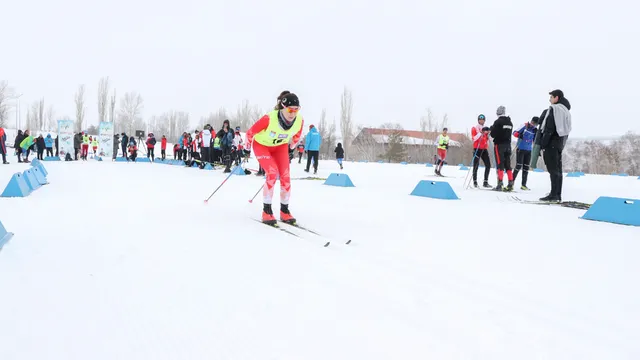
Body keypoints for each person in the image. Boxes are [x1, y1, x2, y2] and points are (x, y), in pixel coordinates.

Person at [245, 92, 304, 225]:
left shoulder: (299, 120)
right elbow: (250, 133)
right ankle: (267, 211)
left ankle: (284, 211)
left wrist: (291, 148)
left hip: (280, 147)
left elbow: (297, 136)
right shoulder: (269, 119)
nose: (293, 113)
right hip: (262, 146)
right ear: (282, 107)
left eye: (296, 109)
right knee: (272, 173)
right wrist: (246, 148)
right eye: (290, 109)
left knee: (285, 176)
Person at [539, 89, 572, 202]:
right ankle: (557, 194)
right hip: (559, 143)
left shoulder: (555, 109)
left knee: (552, 169)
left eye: (551, 97)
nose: (550, 100)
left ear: (557, 98)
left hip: (551, 142)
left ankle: (553, 195)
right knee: (558, 169)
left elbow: (549, 127)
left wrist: (543, 143)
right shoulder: (566, 110)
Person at [489, 106, 514, 191]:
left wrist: (492, 128)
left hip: (499, 145)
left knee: (500, 164)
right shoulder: (510, 122)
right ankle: (511, 183)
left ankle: (500, 184)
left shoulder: (498, 121)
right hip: (508, 145)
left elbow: (493, 134)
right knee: (508, 164)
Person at [512, 117, 539, 190]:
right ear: (531, 121)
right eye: (533, 123)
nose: (534, 125)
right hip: (520, 148)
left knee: (526, 167)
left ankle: (523, 185)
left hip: (528, 150)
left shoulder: (535, 130)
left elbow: (535, 140)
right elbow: (514, 133)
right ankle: (511, 183)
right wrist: (519, 135)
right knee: (518, 166)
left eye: (536, 124)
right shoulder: (525, 125)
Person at [470, 114, 492, 187]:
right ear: (478, 120)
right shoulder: (475, 128)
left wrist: (489, 134)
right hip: (477, 148)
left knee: (488, 165)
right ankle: (475, 182)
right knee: (476, 165)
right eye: (480, 120)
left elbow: (487, 139)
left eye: (483, 120)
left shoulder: (485, 128)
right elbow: (474, 138)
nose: (481, 121)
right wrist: (481, 132)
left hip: (484, 149)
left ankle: (485, 182)